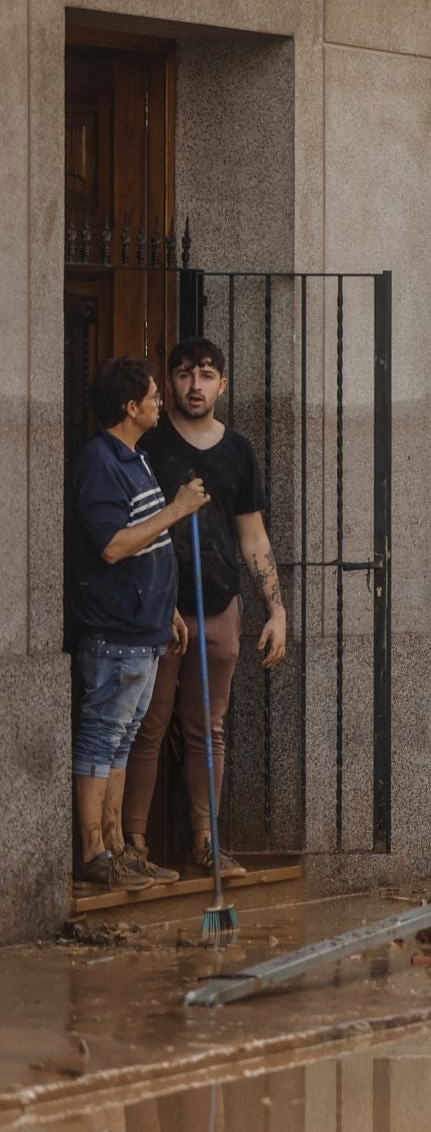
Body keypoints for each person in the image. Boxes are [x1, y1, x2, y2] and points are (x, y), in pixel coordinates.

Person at [125, 337, 288, 881]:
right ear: (168, 382)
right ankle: (133, 845)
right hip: (158, 611)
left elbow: (254, 538)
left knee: (209, 729)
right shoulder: (150, 446)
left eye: (207, 375)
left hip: (219, 607)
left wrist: (276, 609)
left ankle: (206, 842)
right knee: (148, 725)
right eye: (184, 374)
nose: (195, 385)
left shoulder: (238, 451)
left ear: (223, 384)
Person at [67, 357, 206, 891]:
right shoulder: (100, 462)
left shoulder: (134, 458)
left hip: (144, 629)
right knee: (102, 737)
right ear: (130, 407)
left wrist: (166, 607)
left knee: (121, 739)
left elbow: (145, 542)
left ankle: (118, 849)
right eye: (152, 396)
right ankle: (94, 853)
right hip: (114, 634)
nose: (160, 403)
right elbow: (111, 545)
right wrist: (176, 509)